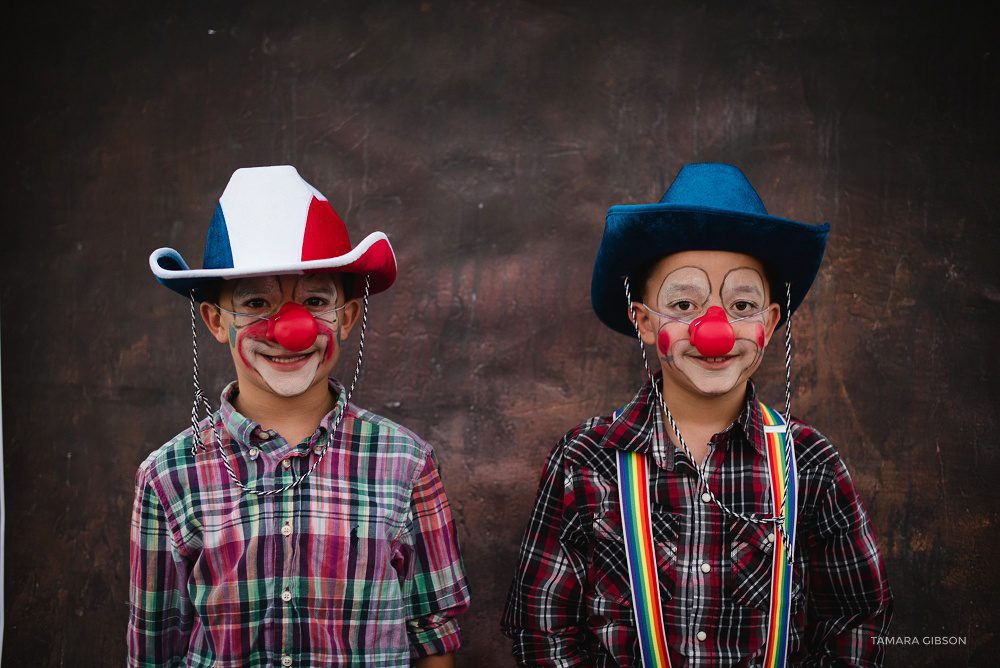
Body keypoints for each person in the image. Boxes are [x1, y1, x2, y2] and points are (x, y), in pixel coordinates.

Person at [502, 163, 892, 666]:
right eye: (684, 303)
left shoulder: (811, 463)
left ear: (770, 325)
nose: (716, 330)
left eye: (743, 304)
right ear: (643, 321)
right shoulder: (583, 460)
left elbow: (855, 625)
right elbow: (543, 632)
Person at [129, 165, 470, 667]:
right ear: (216, 321)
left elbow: (433, 637)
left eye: (314, 300)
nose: (289, 328)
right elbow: (155, 649)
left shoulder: (407, 463)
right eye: (256, 302)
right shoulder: (166, 477)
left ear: (347, 317)